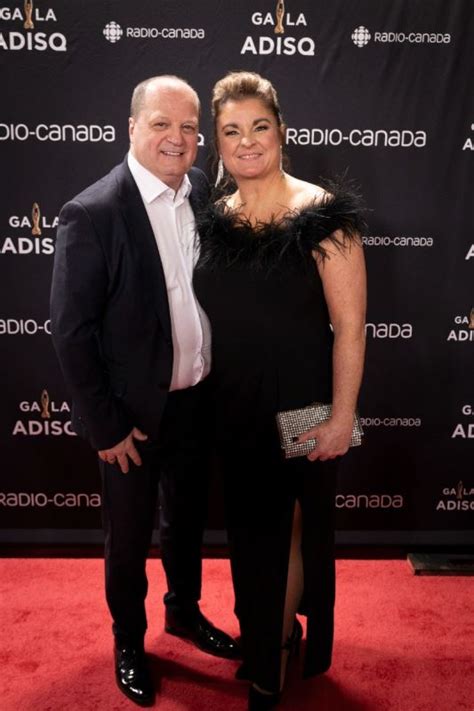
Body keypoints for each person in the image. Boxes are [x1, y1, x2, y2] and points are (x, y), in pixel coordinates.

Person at [50, 75, 239, 707]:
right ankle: (129, 642)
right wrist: (103, 426)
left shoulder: (205, 193)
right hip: (130, 417)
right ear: (131, 127)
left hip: (194, 402)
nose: (178, 138)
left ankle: (183, 613)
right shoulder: (93, 212)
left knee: (185, 525)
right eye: (162, 124)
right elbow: (71, 332)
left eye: (189, 128)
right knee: (127, 538)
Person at [193, 71, 367, 710]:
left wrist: (342, 415)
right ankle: (271, 632)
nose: (246, 142)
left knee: (289, 530)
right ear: (217, 142)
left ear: (281, 131)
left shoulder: (322, 213)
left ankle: (270, 657)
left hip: (305, 404)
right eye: (231, 132)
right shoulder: (213, 220)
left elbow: (349, 328)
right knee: (249, 534)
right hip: (233, 405)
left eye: (258, 127)